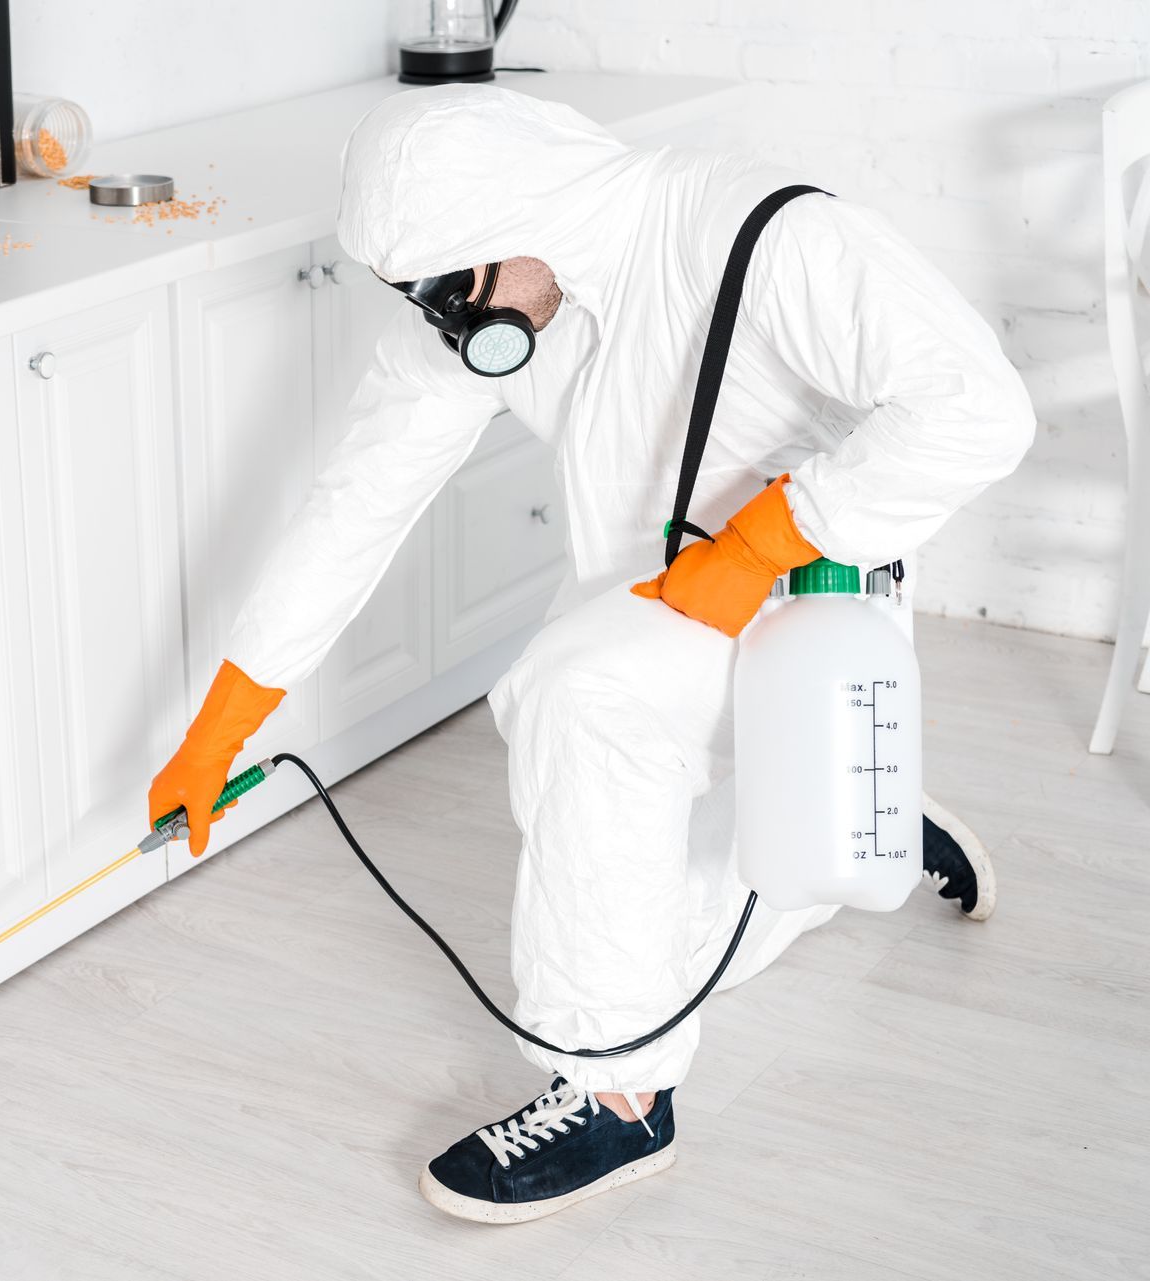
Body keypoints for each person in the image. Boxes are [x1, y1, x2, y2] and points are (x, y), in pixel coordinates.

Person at [147, 85, 1033, 1225]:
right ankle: (860, 811)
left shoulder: (762, 234)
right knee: (633, 917)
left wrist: (770, 540)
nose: (444, 320)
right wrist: (228, 717)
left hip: (809, 604)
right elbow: (355, 502)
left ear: (528, 209)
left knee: (573, 693)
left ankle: (621, 1099)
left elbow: (979, 410)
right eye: (414, 295)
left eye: (453, 289)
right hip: (649, 601)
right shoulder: (492, 302)